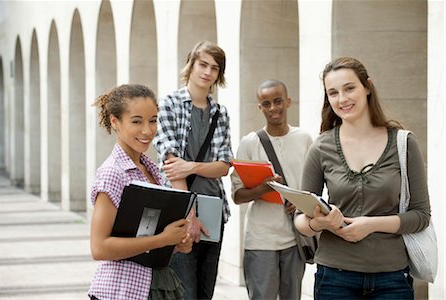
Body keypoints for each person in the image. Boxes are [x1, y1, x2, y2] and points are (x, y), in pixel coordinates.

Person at [294, 57, 431, 299]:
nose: (342, 99)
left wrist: (372, 225)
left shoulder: (404, 143)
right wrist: (321, 224)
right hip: (334, 279)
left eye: (349, 88)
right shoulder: (321, 147)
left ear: (367, 87)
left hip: (392, 278)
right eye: (333, 93)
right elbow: (300, 220)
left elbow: (420, 216)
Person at [88, 84, 193, 300]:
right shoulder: (112, 173)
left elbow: (146, 238)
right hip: (122, 292)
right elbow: (99, 248)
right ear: (115, 122)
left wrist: (177, 243)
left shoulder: (153, 170)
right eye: (137, 121)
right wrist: (163, 240)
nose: (147, 130)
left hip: (159, 285)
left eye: (153, 120)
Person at [154, 41, 233, 299]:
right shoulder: (169, 104)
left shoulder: (220, 113)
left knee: (205, 290)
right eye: (203, 64)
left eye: (215, 68)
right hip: (179, 209)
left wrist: (191, 166)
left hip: (213, 208)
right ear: (191, 64)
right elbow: (171, 163)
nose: (208, 72)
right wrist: (189, 214)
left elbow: (223, 166)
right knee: (183, 291)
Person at [230, 79, 312, 300]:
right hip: (260, 239)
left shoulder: (304, 139)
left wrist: (301, 202)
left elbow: (314, 187)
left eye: (277, 101)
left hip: (295, 237)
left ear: (288, 101)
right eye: (266, 104)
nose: (273, 108)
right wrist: (262, 189)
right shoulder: (249, 143)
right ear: (260, 107)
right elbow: (237, 196)